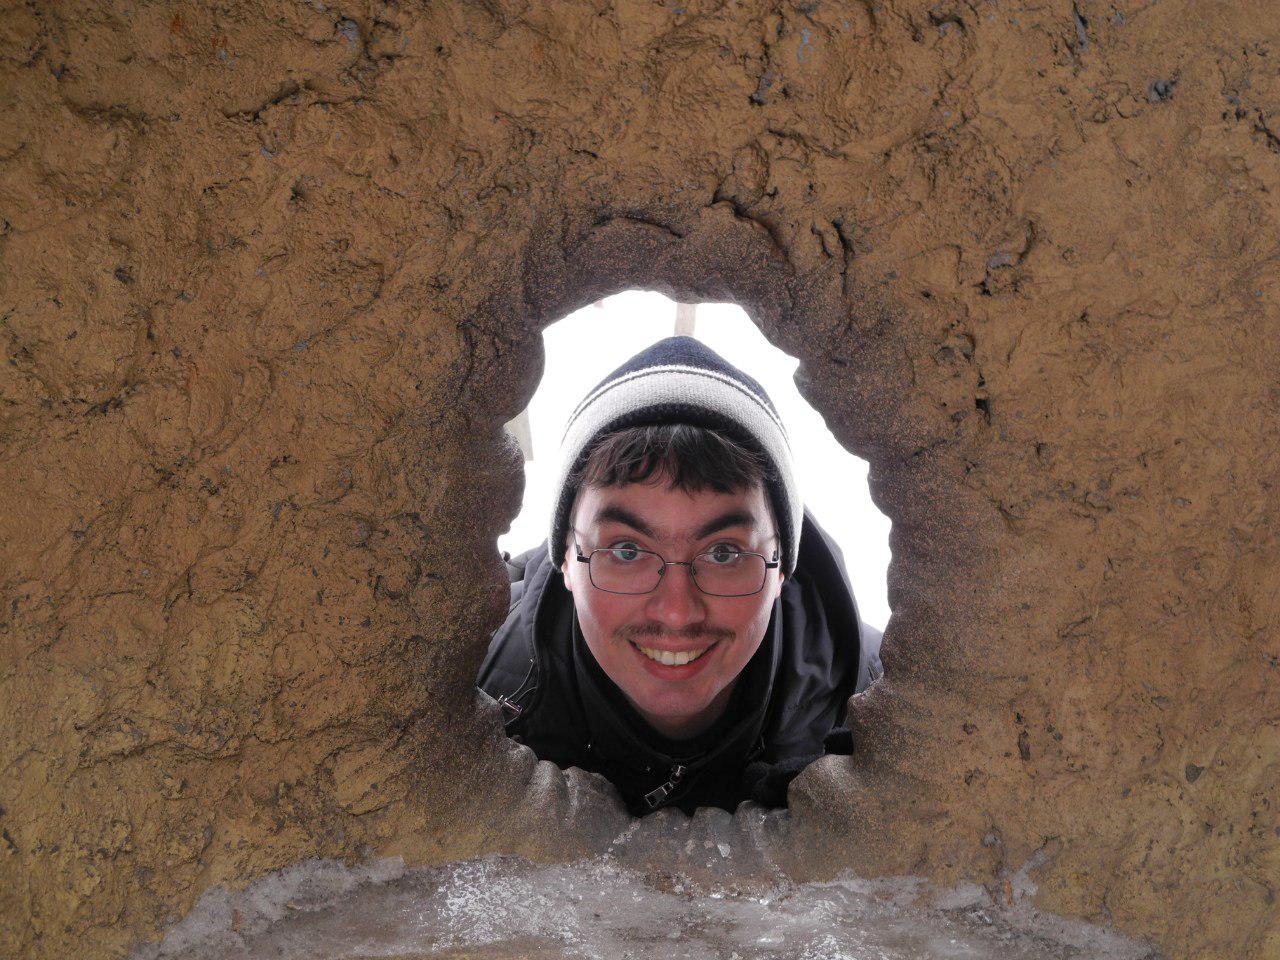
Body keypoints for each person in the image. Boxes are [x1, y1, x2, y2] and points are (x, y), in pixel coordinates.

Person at [477, 336, 883, 815]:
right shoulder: (475, 680)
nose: (676, 612)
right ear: (566, 558)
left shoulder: (878, 701)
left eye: (725, 553)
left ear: (781, 568)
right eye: (627, 550)